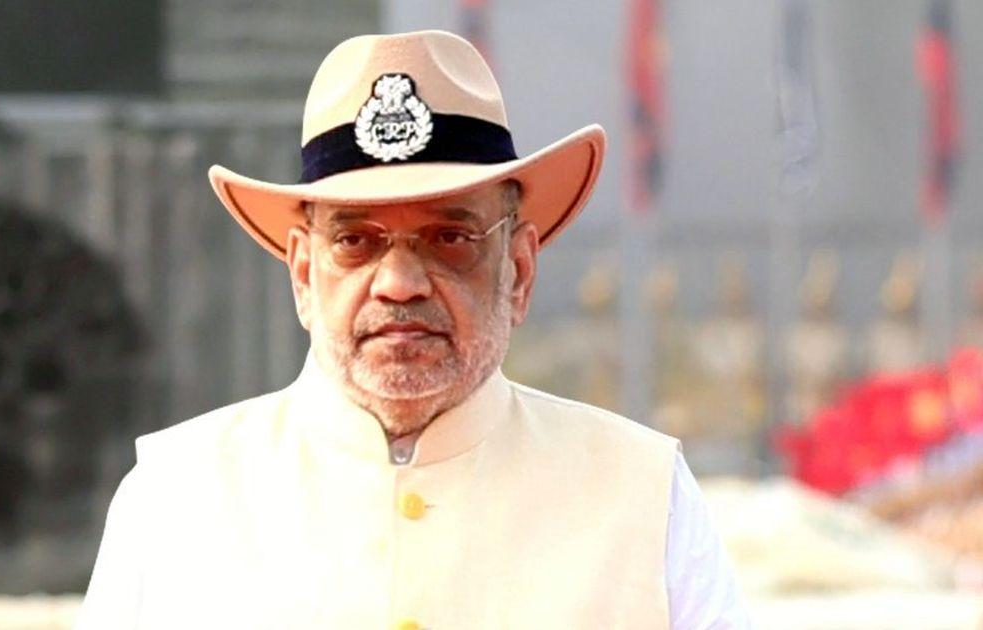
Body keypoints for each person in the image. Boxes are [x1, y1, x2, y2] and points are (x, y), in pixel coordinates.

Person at [76, 30, 750, 629]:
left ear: (518, 270)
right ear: (304, 274)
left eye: (450, 237)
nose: (399, 283)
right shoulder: (176, 496)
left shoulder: (640, 493)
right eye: (356, 241)